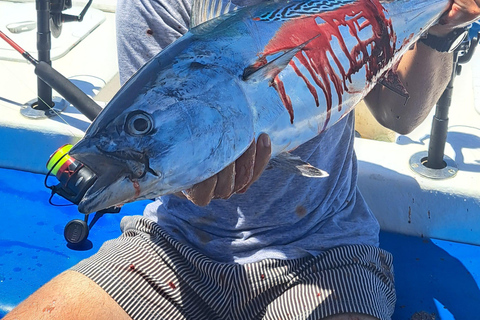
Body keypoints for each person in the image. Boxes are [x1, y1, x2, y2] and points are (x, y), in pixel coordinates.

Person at [5, 0, 480, 319]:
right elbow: (163, 141)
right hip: (176, 247)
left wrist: (439, 33)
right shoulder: (155, 6)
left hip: (326, 254)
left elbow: (399, 116)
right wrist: (184, 175)